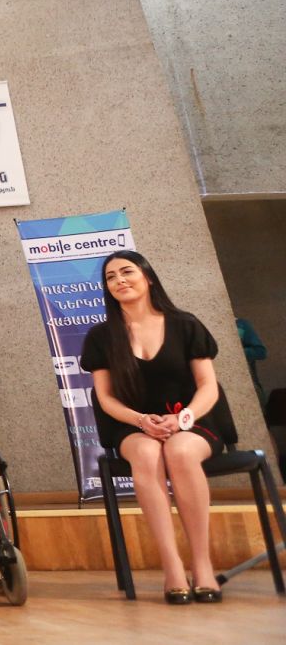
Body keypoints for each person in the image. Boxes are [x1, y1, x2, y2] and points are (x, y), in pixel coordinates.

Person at [83, 250, 226, 604]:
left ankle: (202, 565)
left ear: (147, 277)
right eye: (110, 277)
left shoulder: (186, 324)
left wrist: (183, 419)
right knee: (147, 453)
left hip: (191, 421)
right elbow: (105, 398)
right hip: (133, 425)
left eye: (127, 272)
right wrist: (140, 420)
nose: (119, 280)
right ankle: (172, 567)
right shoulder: (101, 336)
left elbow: (208, 386)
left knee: (180, 451)